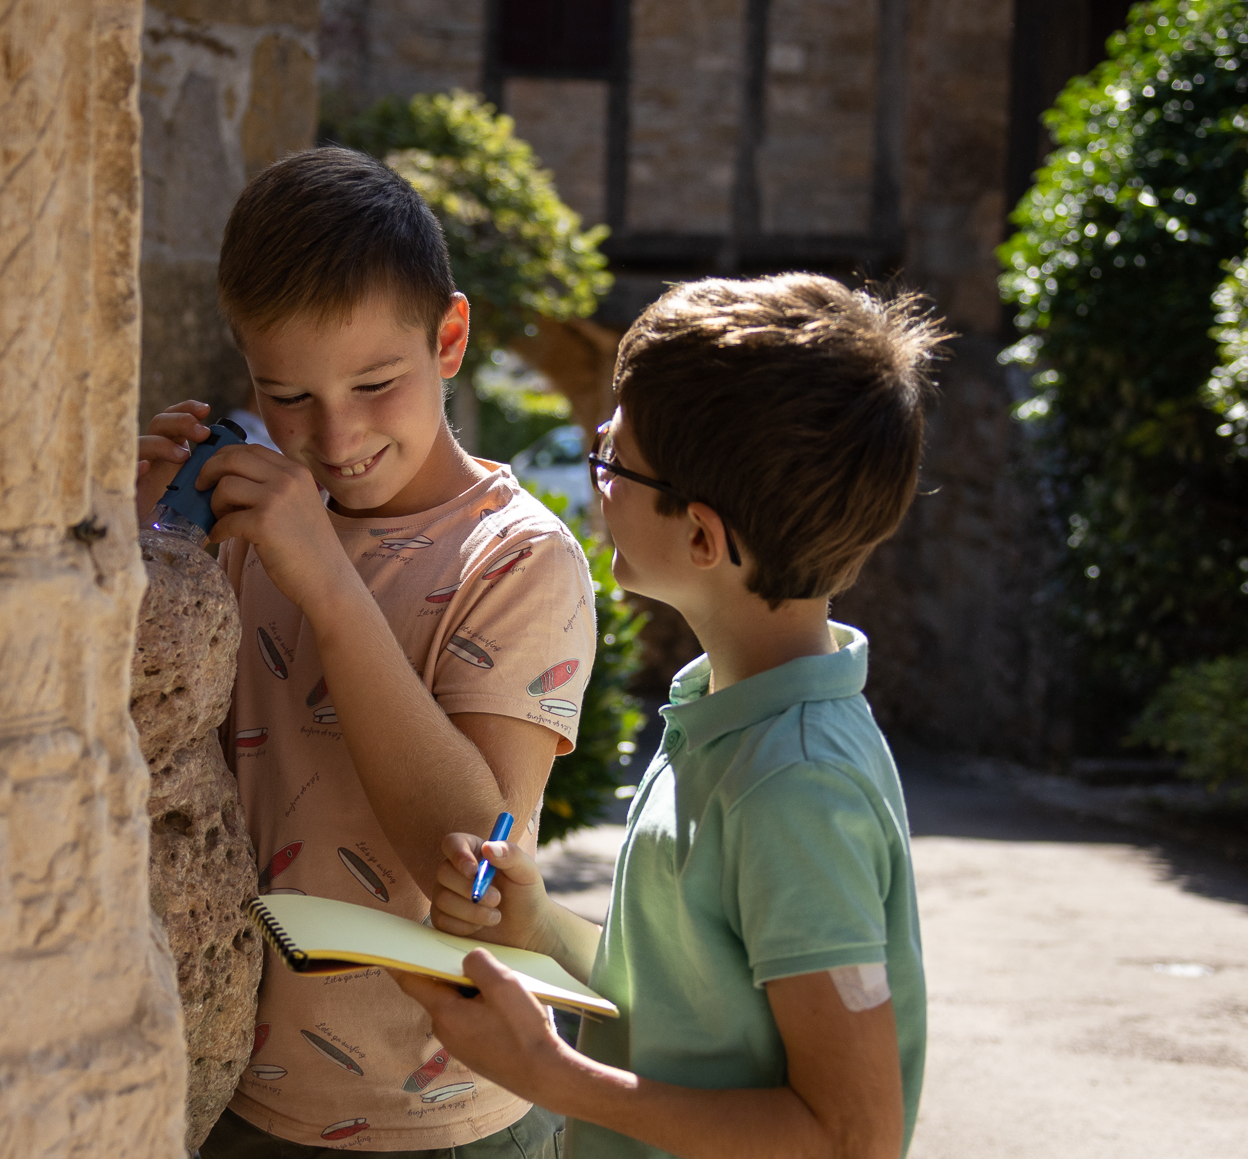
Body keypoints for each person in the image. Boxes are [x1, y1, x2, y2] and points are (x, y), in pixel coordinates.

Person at [389, 275, 946, 1159]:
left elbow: (853, 1136)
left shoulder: (796, 785)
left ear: (702, 538)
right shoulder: (727, 713)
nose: (593, 457)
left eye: (614, 454)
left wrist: (554, 1078)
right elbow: (693, 998)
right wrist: (535, 928)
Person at [137, 147, 597, 1156]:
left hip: (445, 1117)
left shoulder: (519, 559)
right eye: (287, 394)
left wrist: (331, 588)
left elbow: (479, 855)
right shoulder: (250, 523)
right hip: (229, 1089)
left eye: (374, 381)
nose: (333, 434)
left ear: (449, 337)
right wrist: (142, 549)